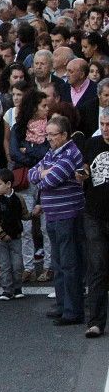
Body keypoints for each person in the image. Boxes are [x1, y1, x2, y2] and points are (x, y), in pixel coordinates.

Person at [28, 115, 86, 326]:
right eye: (47, 134)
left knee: (70, 264)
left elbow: (50, 180)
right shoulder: (53, 153)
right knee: (59, 263)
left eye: (52, 135)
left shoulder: (70, 154)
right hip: (53, 215)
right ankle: (62, 305)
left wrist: (43, 174)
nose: (48, 139)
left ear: (64, 135)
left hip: (67, 216)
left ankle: (73, 310)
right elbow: (32, 175)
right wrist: (43, 173)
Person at [82, 109, 109, 338]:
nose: (106, 128)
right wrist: (81, 174)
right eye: (103, 123)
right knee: (97, 268)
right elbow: (84, 169)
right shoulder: (92, 144)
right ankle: (96, 322)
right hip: (94, 214)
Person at [0, 170, 27, 301]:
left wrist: (33, 214)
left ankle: (17, 288)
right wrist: (1, 234)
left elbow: (23, 214)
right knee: (5, 265)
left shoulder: (19, 198)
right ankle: (7, 289)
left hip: (15, 236)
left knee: (17, 264)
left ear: (8, 184)